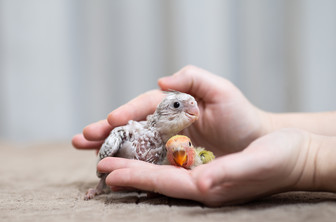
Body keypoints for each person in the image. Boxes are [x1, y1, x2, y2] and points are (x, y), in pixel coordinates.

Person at [72, 65, 336, 207]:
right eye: (177, 106)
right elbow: (109, 153)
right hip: (110, 177)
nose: (191, 111)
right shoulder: (128, 131)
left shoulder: (170, 149)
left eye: (190, 106)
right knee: (108, 161)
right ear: (162, 112)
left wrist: (307, 159)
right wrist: (263, 126)